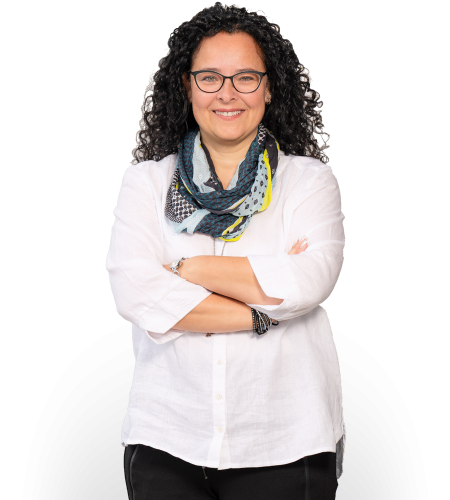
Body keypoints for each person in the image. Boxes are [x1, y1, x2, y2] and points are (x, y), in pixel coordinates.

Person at [106, 2, 345, 499]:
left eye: (246, 78)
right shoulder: (147, 183)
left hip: (285, 439)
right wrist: (264, 311)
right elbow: (134, 289)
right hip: (166, 436)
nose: (227, 93)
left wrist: (183, 268)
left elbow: (310, 280)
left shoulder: (309, 182)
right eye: (210, 77)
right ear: (187, 86)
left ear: (270, 87)